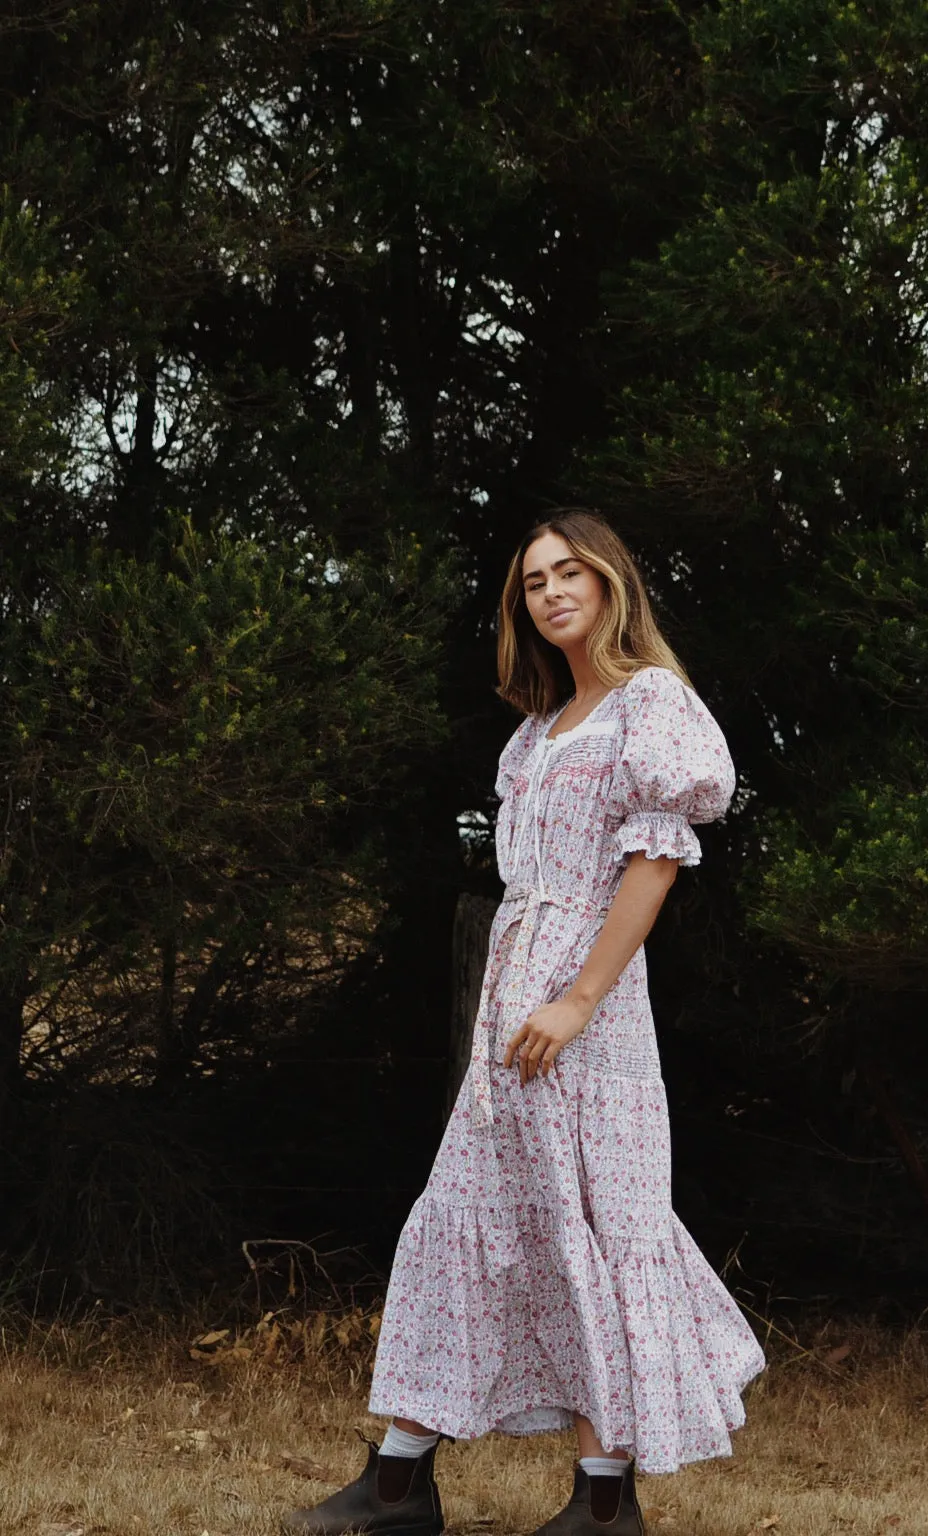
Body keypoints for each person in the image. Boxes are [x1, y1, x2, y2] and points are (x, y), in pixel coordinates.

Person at [283, 511, 765, 1536]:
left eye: (567, 573)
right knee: (474, 1215)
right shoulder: (536, 733)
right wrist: (522, 997)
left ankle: (599, 1503)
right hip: (515, 1004)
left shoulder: (651, 705)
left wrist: (580, 997)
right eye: (532, 581)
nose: (549, 593)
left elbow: (656, 860)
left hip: (586, 1007)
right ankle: (402, 1481)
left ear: (608, 582)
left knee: (588, 1225)